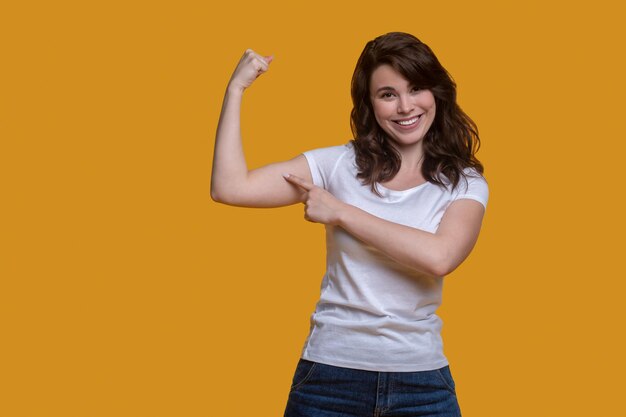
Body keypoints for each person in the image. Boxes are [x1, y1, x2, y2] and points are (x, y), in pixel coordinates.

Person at [211, 32, 488, 417]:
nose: (406, 106)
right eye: (388, 94)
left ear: (436, 93)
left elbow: (439, 257)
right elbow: (230, 187)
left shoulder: (464, 182)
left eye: (417, 88)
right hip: (329, 379)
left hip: (421, 384)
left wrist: (340, 211)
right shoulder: (337, 165)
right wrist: (236, 89)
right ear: (370, 104)